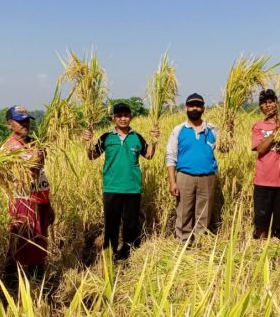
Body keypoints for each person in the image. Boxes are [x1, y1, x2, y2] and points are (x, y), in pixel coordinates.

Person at [83, 102, 159, 260]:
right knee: (111, 224)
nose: (123, 119)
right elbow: (92, 156)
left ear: (130, 117)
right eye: (119, 116)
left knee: (130, 225)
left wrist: (154, 140)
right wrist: (87, 142)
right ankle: (109, 254)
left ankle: (127, 254)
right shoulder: (106, 137)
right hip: (111, 188)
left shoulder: (137, 137)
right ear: (113, 118)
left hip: (132, 188)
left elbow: (149, 155)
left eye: (126, 115)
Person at [2, 105, 54, 286]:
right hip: (22, 203)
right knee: (21, 245)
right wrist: (35, 160)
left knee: (39, 244)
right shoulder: (8, 149)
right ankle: (14, 286)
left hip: (40, 201)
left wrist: (48, 204)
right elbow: (23, 176)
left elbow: (41, 176)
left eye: (27, 120)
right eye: (20, 121)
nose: (25, 124)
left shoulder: (32, 143)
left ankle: (37, 282)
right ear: (9, 124)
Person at [166, 93, 220, 243]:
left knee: (204, 212)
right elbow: (170, 157)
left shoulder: (213, 129)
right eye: (191, 105)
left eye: (198, 105)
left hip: (208, 176)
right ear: (186, 108)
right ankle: (183, 242)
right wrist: (172, 182)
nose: (194, 108)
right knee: (184, 211)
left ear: (203, 108)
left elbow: (225, 149)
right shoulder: (178, 130)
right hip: (185, 176)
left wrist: (229, 131)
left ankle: (200, 243)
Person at [251, 89, 280, 239]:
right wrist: (276, 130)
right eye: (264, 103)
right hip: (264, 180)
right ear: (260, 107)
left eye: (271, 101)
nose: (268, 105)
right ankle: (260, 251)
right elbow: (260, 149)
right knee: (261, 221)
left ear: (277, 103)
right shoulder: (258, 126)